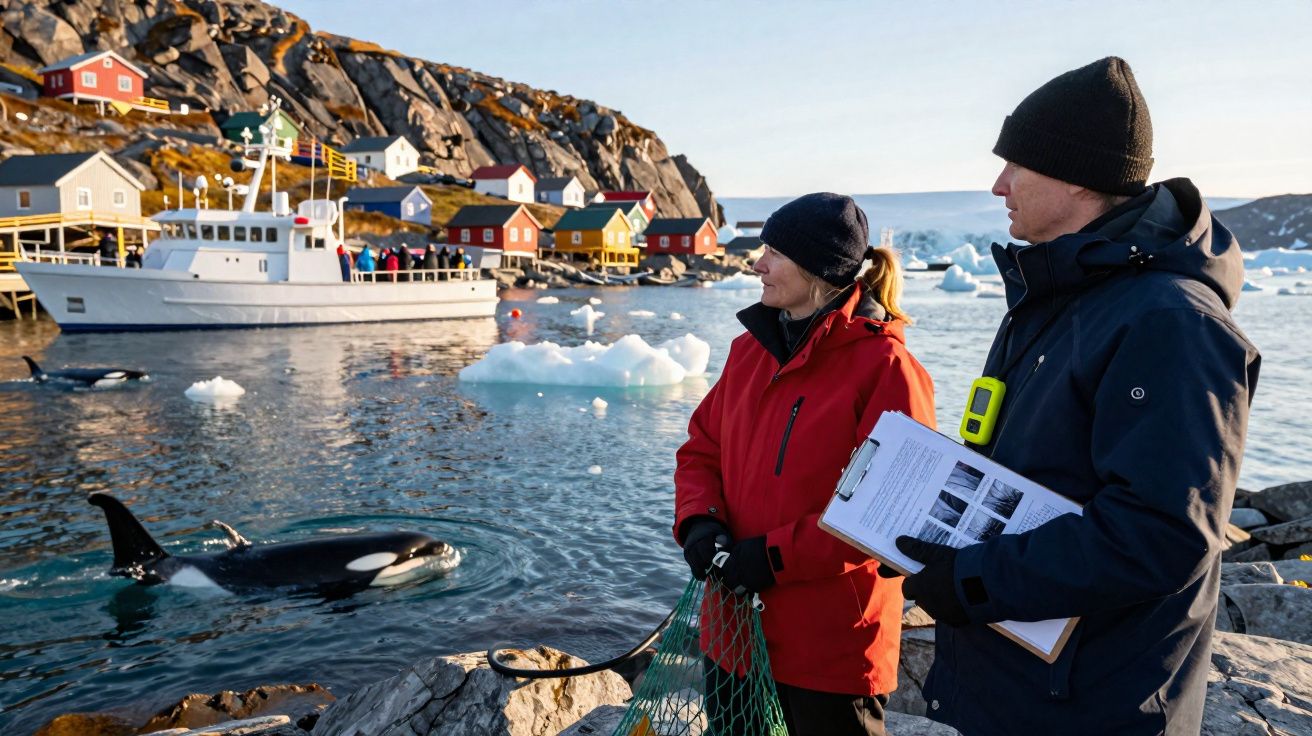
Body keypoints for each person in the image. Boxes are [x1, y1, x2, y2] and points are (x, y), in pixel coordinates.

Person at [880, 57, 1261, 736]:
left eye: (1016, 166)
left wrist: (970, 580)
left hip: (1095, 705)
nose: (998, 185)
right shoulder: (1057, 302)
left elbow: (1162, 533)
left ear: (1077, 175)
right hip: (1017, 689)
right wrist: (924, 530)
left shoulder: (1169, 322)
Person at [674, 193, 936, 736]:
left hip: (830, 648)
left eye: (774, 251)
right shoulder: (748, 351)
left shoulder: (886, 367)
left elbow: (883, 514)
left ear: (818, 268)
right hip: (735, 632)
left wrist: (769, 559)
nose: (756, 262)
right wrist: (700, 520)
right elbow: (701, 447)